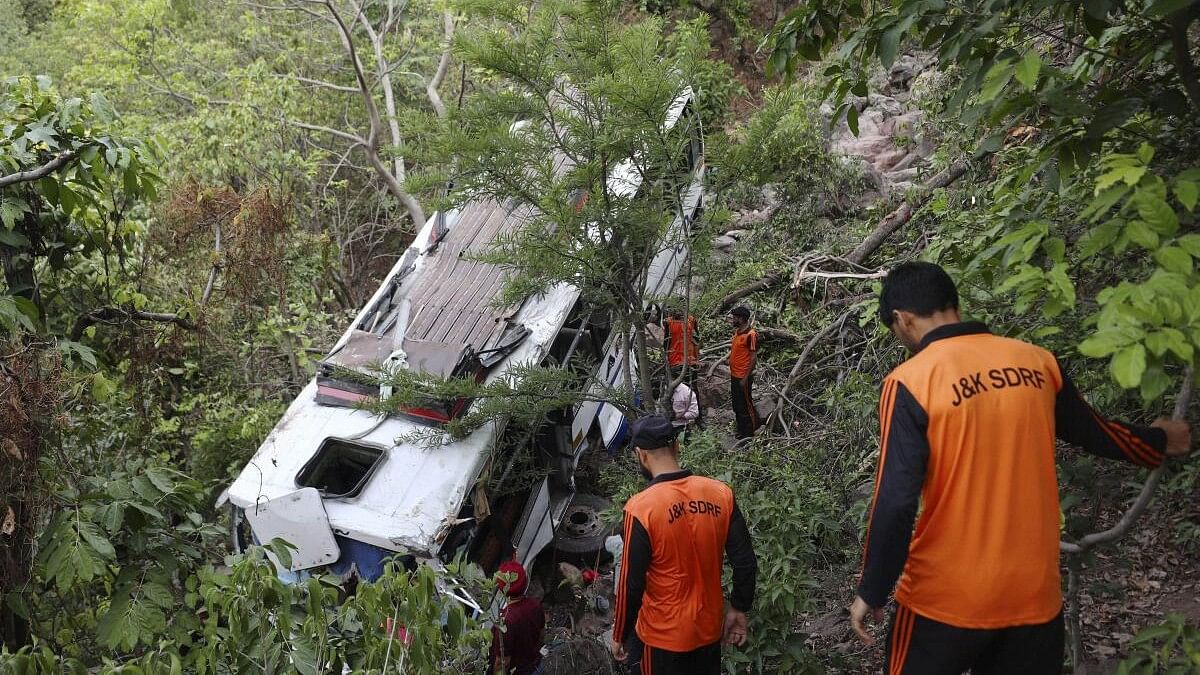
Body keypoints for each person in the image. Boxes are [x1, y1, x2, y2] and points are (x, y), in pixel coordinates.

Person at [849, 262, 1192, 674]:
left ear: (902, 320)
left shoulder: (911, 380)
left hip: (945, 600)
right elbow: (1094, 432)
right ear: (953, 303)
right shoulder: (1035, 361)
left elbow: (895, 499)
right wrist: (1159, 442)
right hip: (1033, 598)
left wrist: (872, 589)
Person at [611, 416, 758, 675]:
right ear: (677, 446)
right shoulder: (720, 493)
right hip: (709, 633)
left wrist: (620, 632)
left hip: (661, 639)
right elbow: (745, 562)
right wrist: (738, 607)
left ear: (641, 455)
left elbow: (630, 584)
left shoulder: (640, 509)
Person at [490, 560, 545, 675]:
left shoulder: (505, 621)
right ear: (525, 583)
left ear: (501, 589)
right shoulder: (535, 605)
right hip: (537, 665)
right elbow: (541, 636)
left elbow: (502, 664)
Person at [727, 306, 758, 439]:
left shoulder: (751, 335)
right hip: (734, 375)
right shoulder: (738, 332)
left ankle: (749, 433)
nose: (733, 320)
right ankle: (741, 430)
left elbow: (753, 358)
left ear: (741, 319)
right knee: (737, 405)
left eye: (735, 318)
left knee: (746, 405)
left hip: (743, 377)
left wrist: (745, 377)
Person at [664, 306, 700, 373]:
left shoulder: (691, 320)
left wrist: (697, 359)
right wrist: (666, 357)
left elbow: (696, 340)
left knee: (691, 380)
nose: (679, 311)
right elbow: (666, 342)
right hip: (674, 359)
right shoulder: (668, 322)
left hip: (690, 359)